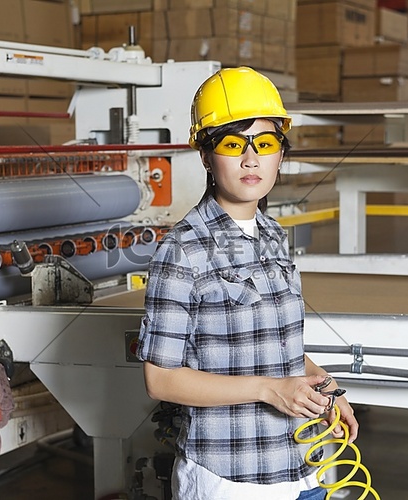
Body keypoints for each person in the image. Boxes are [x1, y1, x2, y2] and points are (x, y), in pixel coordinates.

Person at [137, 66, 359, 500]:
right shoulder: (183, 250)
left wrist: (325, 387)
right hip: (232, 479)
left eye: (267, 143)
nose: (251, 159)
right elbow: (160, 379)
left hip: (301, 463)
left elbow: (277, 346)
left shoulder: (274, 236)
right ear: (205, 155)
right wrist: (269, 390)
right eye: (233, 144)